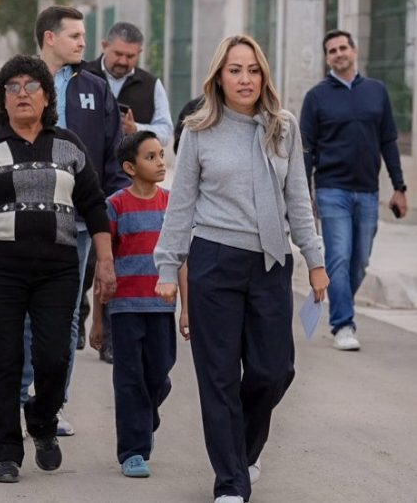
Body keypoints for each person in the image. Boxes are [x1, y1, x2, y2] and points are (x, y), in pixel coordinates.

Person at [155, 35, 328, 503]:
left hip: (271, 264)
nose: (245, 78)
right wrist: (168, 269)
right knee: (219, 376)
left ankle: (244, 452)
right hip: (214, 262)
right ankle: (231, 480)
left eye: (253, 70)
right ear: (219, 76)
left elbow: (297, 199)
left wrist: (315, 261)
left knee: (275, 371)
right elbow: (181, 206)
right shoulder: (198, 129)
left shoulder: (284, 127)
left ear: (263, 75)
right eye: (235, 70)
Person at [0, 54, 115, 483]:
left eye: (31, 86)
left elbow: (94, 206)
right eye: (12, 87)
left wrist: (106, 262)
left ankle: (42, 423)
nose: (22, 94)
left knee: (54, 356)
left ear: (47, 96)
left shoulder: (69, 145)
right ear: (2, 100)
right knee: (5, 360)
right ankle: (5, 451)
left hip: (57, 269)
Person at [0, 5, 127, 436]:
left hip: (76, 226)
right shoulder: (11, 84)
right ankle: (21, 394)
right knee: (22, 317)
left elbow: (113, 155)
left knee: (63, 317)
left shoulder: (96, 90)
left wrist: (109, 218)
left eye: (83, 35)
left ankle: (51, 404)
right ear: (49, 37)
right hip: (17, 225)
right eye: (75, 35)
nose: (83, 42)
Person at [300, 29, 408, 351]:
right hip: (332, 190)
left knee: (359, 261)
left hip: (368, 191)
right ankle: (343, 324)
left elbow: (389, 141)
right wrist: (304, 196)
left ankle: (336, 299)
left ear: (354, 51)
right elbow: (306, 150)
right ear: (327, 58)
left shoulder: (377, 91)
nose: (338, 53)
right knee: (338, 257)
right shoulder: (317, 97)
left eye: (343, 47)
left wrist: (400, 187)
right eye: (331, 50)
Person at [82, 21, 173, 362]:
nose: (123, 61)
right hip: (87, 176)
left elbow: (165, 131)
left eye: (130, 56)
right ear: (104, 45)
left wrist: (138, 130)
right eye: (118, 53)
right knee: (84, 255)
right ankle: (79, 319)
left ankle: (109, 333)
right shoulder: (82, 76)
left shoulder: (150, 85)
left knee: (115, 258)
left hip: (127, 184)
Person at [88, 130, 175, 479]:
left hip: (162, 307)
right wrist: (98, 320)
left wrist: (189, 310)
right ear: (130, 167)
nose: (160, 162)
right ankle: (133, 451)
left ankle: (146, 417)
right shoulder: (115, 205)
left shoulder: (171, 203)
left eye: (161, 154)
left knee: (160, 375)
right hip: (124, 309)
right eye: (150, 157)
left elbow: (181, 260)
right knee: (128, 380)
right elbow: (103, 265)